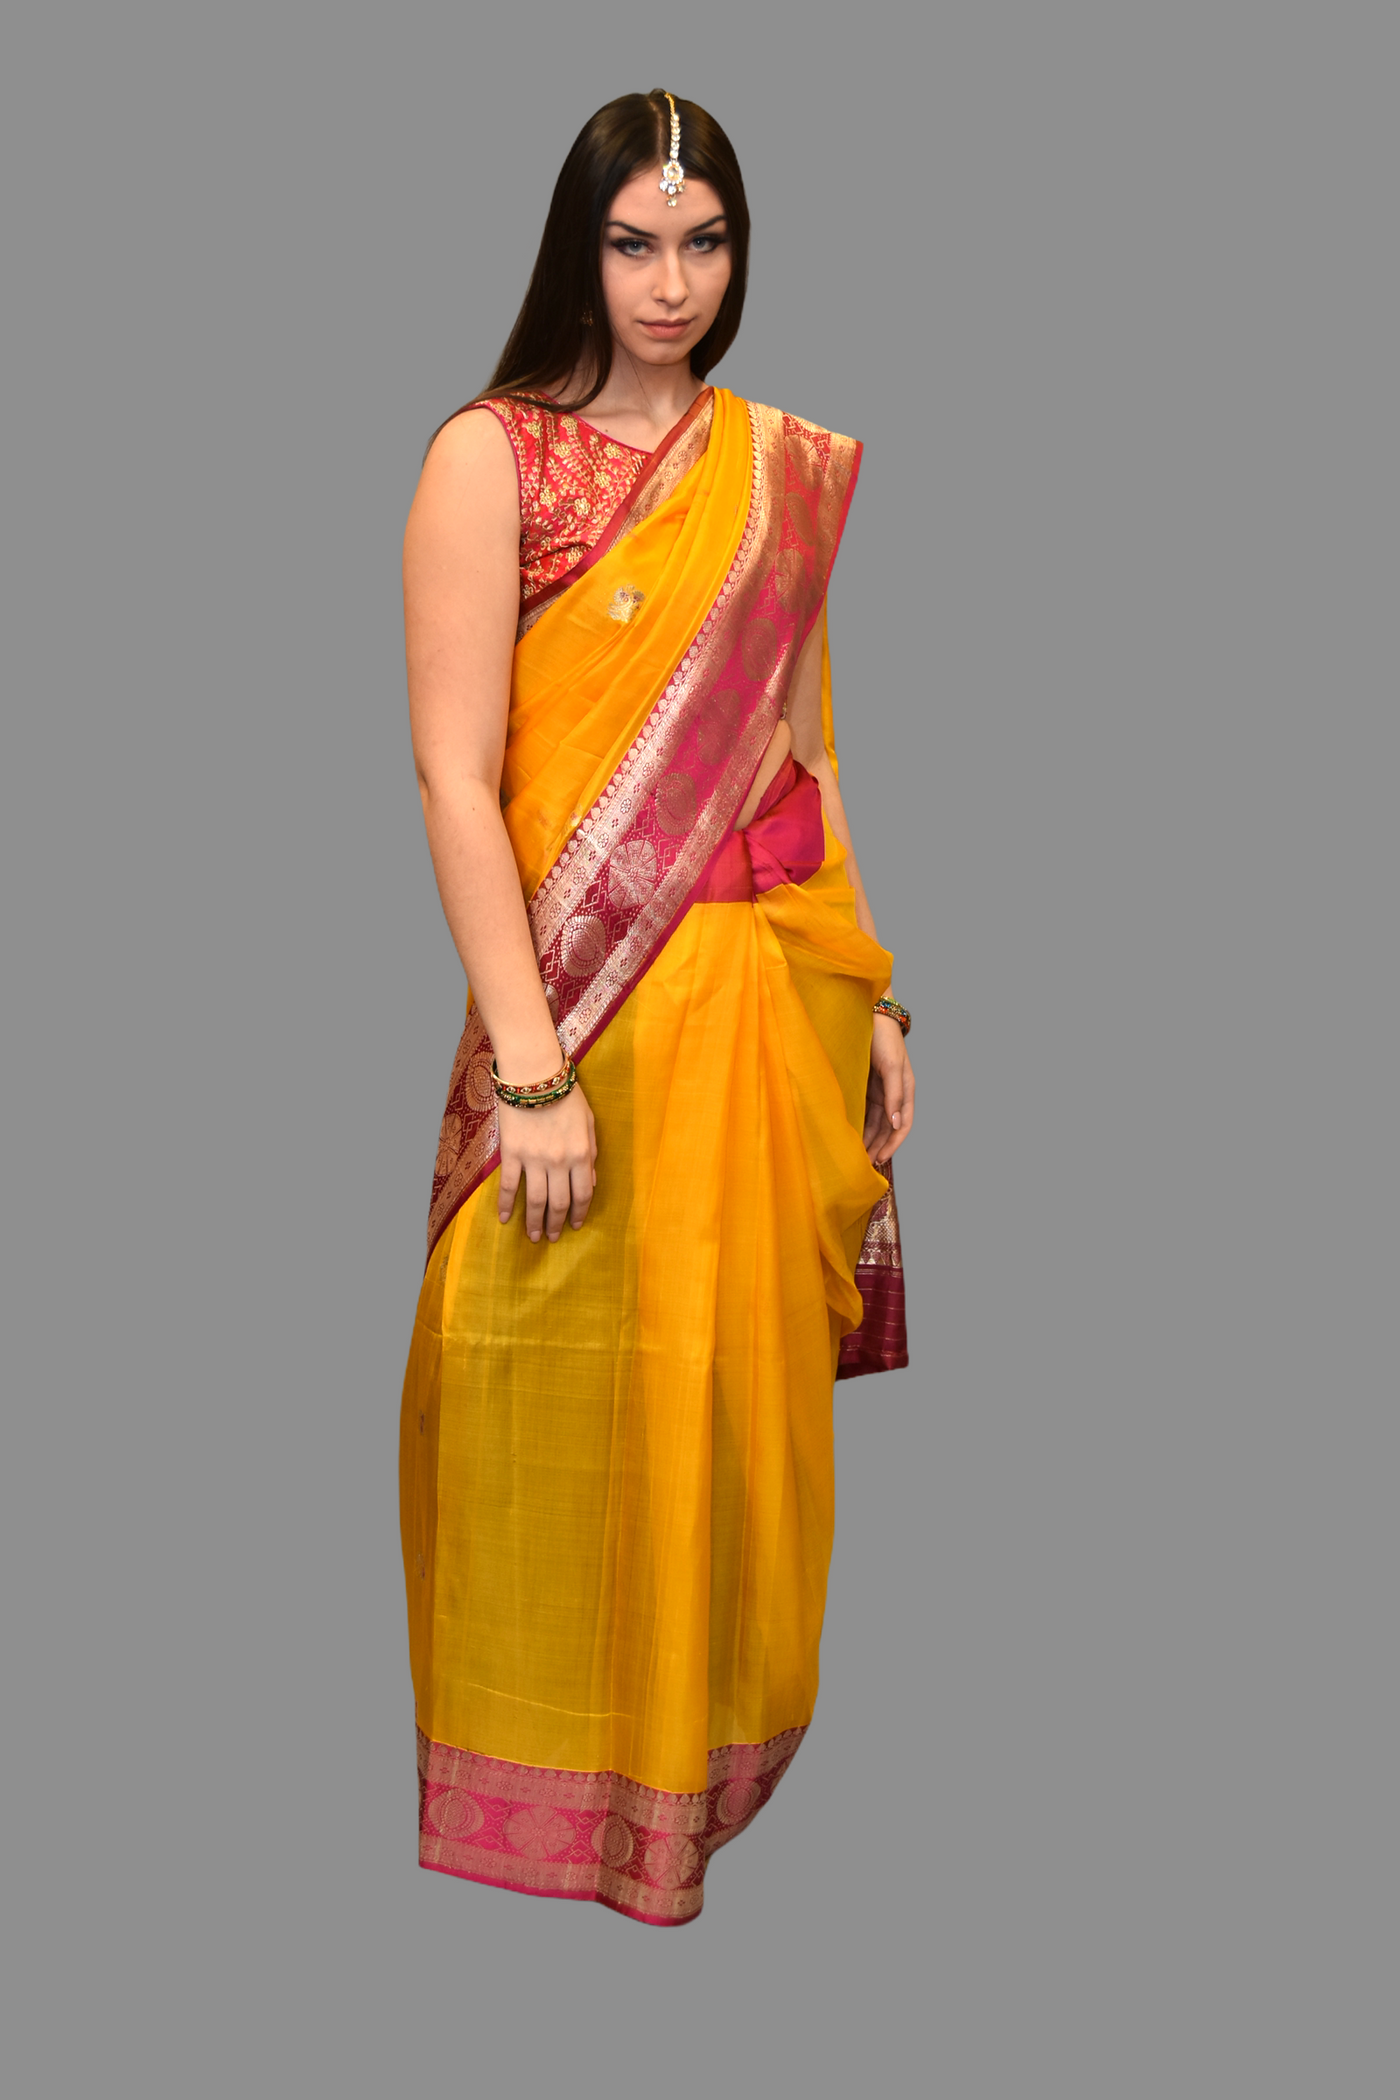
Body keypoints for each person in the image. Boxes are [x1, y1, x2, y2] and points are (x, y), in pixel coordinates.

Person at [400, 90, 915, 1927]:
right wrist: (534, 1072)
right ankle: (546, 1808)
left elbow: (806, 756)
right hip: (576, 1022)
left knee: (722, 1416)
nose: (671, 283)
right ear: (580, 247)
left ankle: (685, 1808)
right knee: (539, 1394)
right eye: (634, 243)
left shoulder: (774, 470)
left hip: (757, 1012)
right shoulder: (492, 458)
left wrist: (877, 995)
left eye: (703, 244)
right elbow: (457, 778)